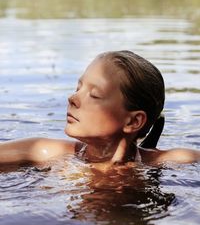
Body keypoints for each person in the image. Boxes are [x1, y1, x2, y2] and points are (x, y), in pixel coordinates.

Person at [0, 50, 199, 169]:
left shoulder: (164, 163)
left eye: (94, 95)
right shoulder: (43, 152)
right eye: (78, 88)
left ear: (133, 122)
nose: (73, 98)